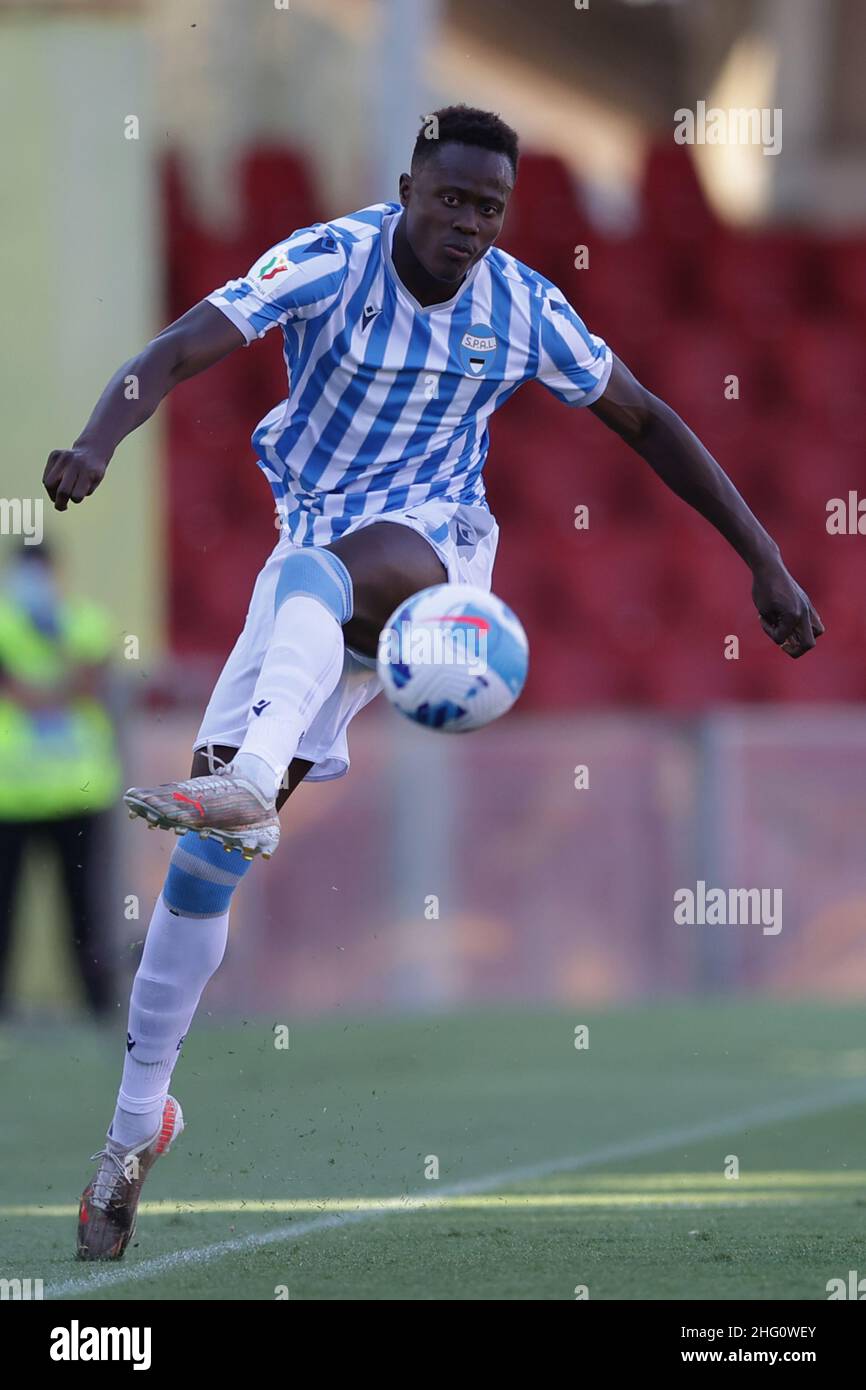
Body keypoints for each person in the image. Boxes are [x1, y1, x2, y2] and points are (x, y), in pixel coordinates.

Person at [43, 105, 823, 1260]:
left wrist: (762, 559)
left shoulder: (520, 308)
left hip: (439, 558)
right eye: (450, 199)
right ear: (408, 186)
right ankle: (134, 1123)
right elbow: (181, 346)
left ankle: (253, 776)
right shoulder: (331, 257)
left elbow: (649, 422)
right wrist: (103, 436)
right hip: (304, 568)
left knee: (311, 601)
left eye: (489, 209)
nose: (468, 225)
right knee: (200, 870)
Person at [0, 542, 121, 1018]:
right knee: (4, 910)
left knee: (83, 909)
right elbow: (21, 692)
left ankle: (97, 1008)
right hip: (11, 795)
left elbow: (90, 677)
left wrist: (49, 648)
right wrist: (56, 685)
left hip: (78, 792)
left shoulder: (81, 620)